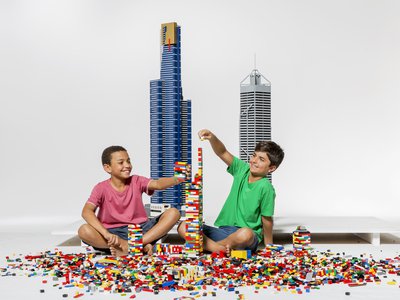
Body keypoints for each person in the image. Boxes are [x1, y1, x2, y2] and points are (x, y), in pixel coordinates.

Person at [178, 129, 284, 254]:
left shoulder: (266, 187)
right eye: (254, 155)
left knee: (246, 233)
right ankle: (218, 248)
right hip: (223, 232)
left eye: (261, 159)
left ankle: (210, 246)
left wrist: (269, 245)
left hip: (245, 237)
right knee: (184, 225)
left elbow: (267, 219)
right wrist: (212, 137)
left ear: (271, 168)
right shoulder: (242, 169)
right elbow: (222, 152)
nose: (254, 160)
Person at [78, 145, 185, 256]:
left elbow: (157, 184)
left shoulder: (136, 180)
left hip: (141, 229)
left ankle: (132, 246)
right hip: (113, 234)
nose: (127, 165)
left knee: (173, 212)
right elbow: (86, 211)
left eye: (128, 161)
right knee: (84, 230)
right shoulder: (100, 188)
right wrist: (106, 234)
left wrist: (177, 179)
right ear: (107, 168)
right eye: (121, 162)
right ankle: (137, 245)